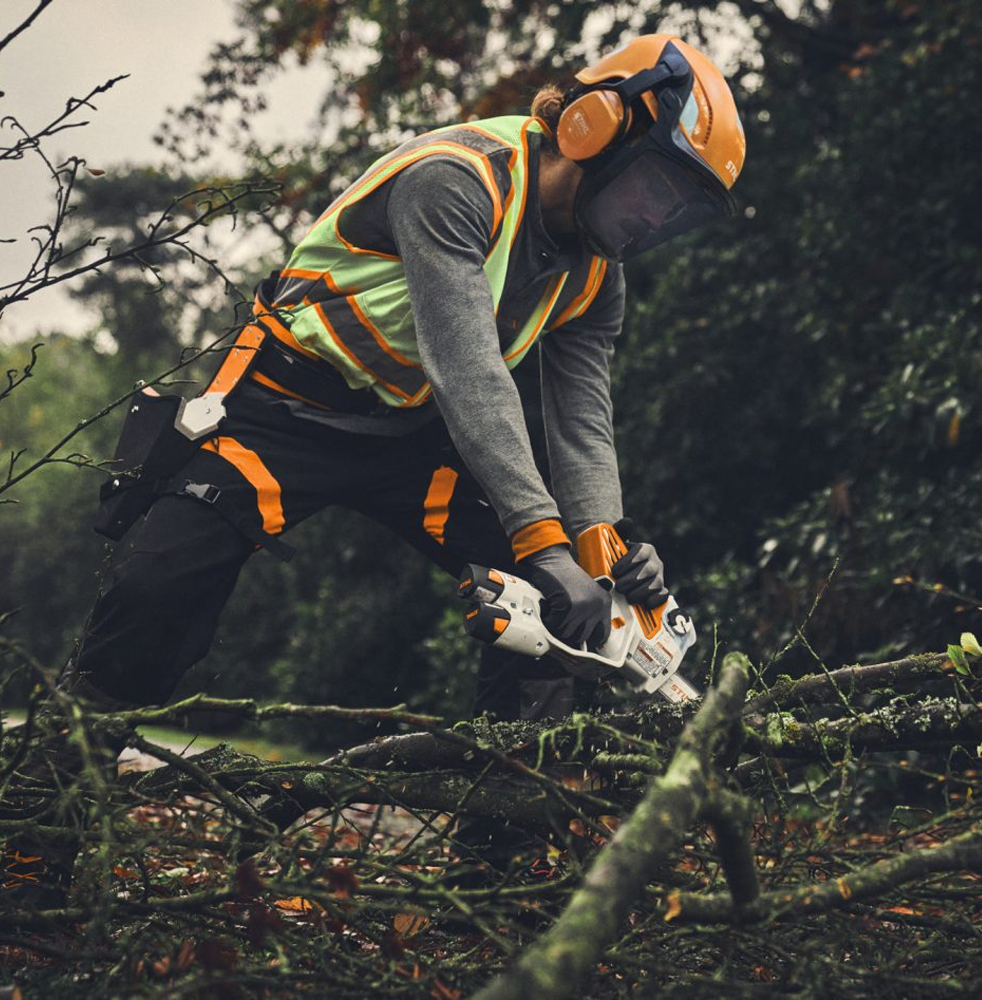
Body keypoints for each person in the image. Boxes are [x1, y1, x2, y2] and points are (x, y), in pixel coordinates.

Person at [2, 33, 745, 902]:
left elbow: (581, 419)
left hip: (409, 433)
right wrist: (545, 538)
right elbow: (469, 367)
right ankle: (36, 840)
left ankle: (493, 875)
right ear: (594, 126)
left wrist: (598, 548)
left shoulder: (594, 275)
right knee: (158, 588)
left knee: (549, 620)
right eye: (657, 189)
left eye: (677, 211)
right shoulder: (457, 181)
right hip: (284, 401)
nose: (654, 221)